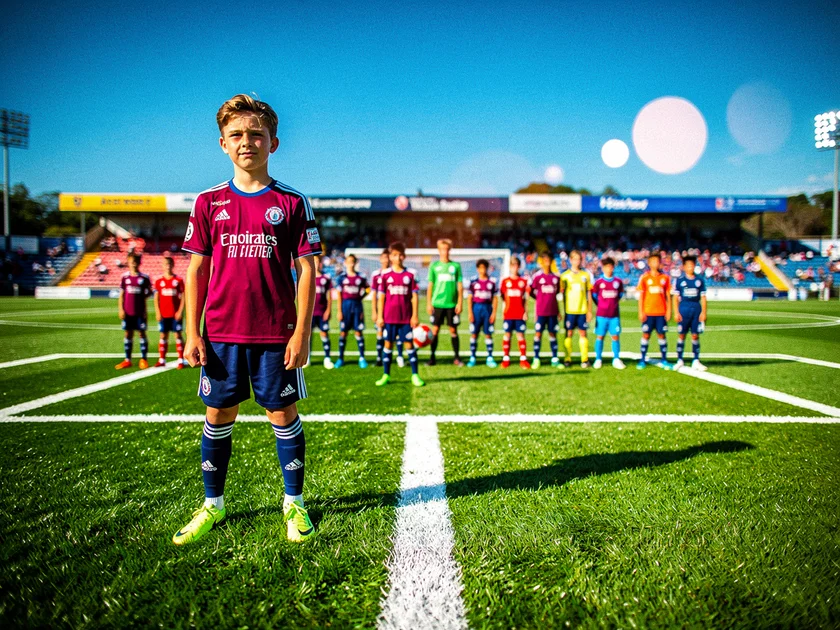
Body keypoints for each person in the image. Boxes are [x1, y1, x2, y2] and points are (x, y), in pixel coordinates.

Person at [175, 94, 319, 545]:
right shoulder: (207, 201)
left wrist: (301, 333)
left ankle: (293, 502)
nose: (247, 142)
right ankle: (212, 506)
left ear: (273, 143)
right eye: (237, 134)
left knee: (282, 412)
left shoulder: (292, 202)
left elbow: (308, 269)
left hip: (276, 334)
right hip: (220, 334)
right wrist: (191, 330)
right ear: (222, 143)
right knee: (218, 412)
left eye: (256, 134)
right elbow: (196, 269)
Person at [375, 242, 424, 387]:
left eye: (400, 255)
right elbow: (381, 297)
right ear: (390, 257)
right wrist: (379, 316)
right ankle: (386, 374)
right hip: (389, 317)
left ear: (404, 256)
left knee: (409, 345)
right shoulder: (385, 275)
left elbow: (414, 297)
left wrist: (414, 315)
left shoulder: (410, 275)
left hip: (405, 318)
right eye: (395, 255)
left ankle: (415, 375)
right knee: (388, 344)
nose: (398, 257)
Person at [426, 239, 463, 366]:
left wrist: (459, 303)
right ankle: (432, 358)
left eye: (446, 249)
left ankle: (457, 357)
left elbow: (460, 286)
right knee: (435, 331)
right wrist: (429, 303)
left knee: (453, 331)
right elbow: (430, 286)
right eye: (442, 249)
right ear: (438, 250)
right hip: (437, 303)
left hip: (451, 305)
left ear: (449, 250)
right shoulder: (434, 266)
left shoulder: (455, 266)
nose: (444, 252)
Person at [115, 251, 152, 370]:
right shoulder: (125, 277)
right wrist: (121, 309)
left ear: (139, 263)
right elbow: (121, 295)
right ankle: (127, 360)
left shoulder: (144, 278)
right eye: (131, 262)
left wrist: (141, 299)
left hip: (140, 312)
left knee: (142, 333)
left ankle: (144, 359)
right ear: (128, 263)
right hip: (127, 312)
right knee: (128, 333)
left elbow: (149, 292)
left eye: (135, 262)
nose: (133, 264)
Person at [637, 250, 672, 369]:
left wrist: (669, 310)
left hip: (661, 312)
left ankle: (664, 359)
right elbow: (641, 297)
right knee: (646, 335)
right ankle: (642, 359)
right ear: (649, 263)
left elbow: (668, 295)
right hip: (648, 312)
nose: (655, 263)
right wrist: (641, 311)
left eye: (657, 261)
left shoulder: (665, 278)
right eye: (653, 261)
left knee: (661, 335)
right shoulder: (645, 278)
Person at [672, 255, 707, 371]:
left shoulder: (699, 280)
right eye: (688, 266)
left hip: (696, 309)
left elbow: (703, 298)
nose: (690, 268)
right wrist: (676, 312)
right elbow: (675, 298)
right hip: (684, 309)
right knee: (681, 335)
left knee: (695, 335)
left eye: (692, 265)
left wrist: (703, 312)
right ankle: (679, 359)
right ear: (684, 267)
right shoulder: (680, 281)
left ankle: (696, 360)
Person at [370, 249, 404, 367]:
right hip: (381, 309)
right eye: (383, 258)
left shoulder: (393, 273)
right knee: (380, 333)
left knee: (398, 334)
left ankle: (400, 356)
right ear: (380, 259)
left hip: (392, 308)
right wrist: (374, 311)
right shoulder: (375, 275)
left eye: (386, 258)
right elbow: (374, 294)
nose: (385, 260)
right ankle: (379, 358)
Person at [559, 250, 593, 368]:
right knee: (568, 334)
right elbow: (561, 294)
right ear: (570, 260)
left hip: (582, 310)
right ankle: (567, 359)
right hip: (570, 310)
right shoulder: (564, 276)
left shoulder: (585, 275)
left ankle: (585, 359)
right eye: (574, 259)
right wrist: (562, 310)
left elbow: (589, 294)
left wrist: (589, 310)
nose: (577, 262)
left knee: (583, 334)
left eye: (579, 259)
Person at [591, 257, 626, 369]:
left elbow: (619, 295)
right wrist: (602, 305)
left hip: (614, 316)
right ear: (602, 268)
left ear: (613, 267)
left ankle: (616, 358)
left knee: (615, 336)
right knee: (600, 336)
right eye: (606, 267)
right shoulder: (599, 283)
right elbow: (594, 296)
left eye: (610, 267)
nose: (608, 269)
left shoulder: (618, 282)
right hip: (601, 315)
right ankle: (598, 359)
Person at [335, 254, 369, 368]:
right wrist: (339, 311)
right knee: (343, 332)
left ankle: (362, 358)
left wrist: (361, 297)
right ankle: (340, 358)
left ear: (355, 263)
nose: (351, 264)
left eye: (353, 261)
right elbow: (339, 295)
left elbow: (368, 289)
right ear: (345, 263)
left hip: (357, 306)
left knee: (358, 332)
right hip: (345, 306)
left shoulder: (361, 277)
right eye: (349, 261)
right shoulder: (342, 277)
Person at [529, 251, 561, 369]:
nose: (546, 263)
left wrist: (558, 311)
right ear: (541, 262)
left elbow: (555, 295)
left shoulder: (555, 278)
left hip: (552, 311)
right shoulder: (537, 277)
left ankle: (554, 358)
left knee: (553, 334)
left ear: (551, 262)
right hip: (541, 311)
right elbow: (531, 291)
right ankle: (536, 358)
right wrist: (539, 301)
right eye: (544, 261)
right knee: (538, 334)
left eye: (548, 260)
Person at [153, 255, 186, 369]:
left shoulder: (178, 280)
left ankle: (181, 359)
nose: (168, 267)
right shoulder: (159, 281)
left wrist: (180, 311)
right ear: (163, 266)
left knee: (178, 335)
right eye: (165, 264)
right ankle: (162, 359)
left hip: (175, 314)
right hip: (163, 314)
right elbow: (156, 298)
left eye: (170, 264)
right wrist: (157, 312)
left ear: (173, 265)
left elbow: (183, 297)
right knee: (163, 335)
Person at [466, 259, 498, 368]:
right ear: (477, 269)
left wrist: (494, 313)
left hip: (487, 309)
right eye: (480, 268)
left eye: (484, 268)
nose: (482, 270)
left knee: (488, 333)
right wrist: (470, 312)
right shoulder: (473, 281)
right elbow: (470, 298)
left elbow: (495, 298)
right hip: (476, 309)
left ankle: (490, 357)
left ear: (487, 268)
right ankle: (472, 357)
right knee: (474, 333)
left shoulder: (492, 282)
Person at [500, 256, 530, 369]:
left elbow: (525, 299)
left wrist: (526, 312)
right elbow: (503, 297)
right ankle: (506, 359)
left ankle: (523, 359)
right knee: (507, 335)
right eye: (512, 265)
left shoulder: (523, 282)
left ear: (519, 266)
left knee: (520, 335)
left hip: (520, 313)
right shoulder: (505, 281)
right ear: (509, 267)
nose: (514, 268)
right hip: (509, 313)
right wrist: (504, 310)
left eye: (516, 265)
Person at [311, 255, 334, 369]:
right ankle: (307, 358)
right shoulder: (308, 278)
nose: (316, 264)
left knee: (324, 334)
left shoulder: (326, 278)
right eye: (314, 262)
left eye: (318, 262)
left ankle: (327, 358)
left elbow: (329, 297)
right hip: (310, 313)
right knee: (308, 336)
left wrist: (328, 310)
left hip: (322, 312)